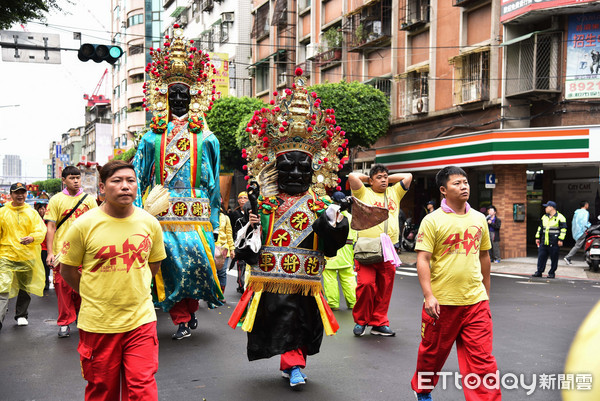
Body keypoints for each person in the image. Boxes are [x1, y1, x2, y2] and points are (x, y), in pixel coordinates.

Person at [228, 68, 349, 389]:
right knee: (280, 321)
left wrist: (332, 224)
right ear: (273, 169)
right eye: (286, 166)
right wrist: (252, 223)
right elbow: (246, 248)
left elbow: (335, 242)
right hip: (272, 277)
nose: (295, 172)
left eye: (302, 167)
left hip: (305, 278)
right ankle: (291, 363)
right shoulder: (265, 204)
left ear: (315, 171)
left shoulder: (321, 205)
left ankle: (294, 363)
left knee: (302, 322)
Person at [132, 26, 223, 340]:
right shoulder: (150, 138)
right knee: (170, 267)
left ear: (194, 96)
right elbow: (138, 176)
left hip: (197, 214)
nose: (180, 98)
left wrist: (213, 220)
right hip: (163, 212)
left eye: (185, 93)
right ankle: (180, 317)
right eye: (174, 94)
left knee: (197, 265)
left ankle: (190, 309)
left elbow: (212, 183)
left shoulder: (207, 139)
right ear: (164, 97)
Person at [59, 160, 167, 401]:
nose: (125, 186)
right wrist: (92, 292)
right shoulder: (83, 225)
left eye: (130, 181)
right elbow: (67, 270)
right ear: (102, 187)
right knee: (102, 392)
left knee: (143, 389)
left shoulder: (150, 223)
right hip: (98, 324)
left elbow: (154, 264)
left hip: (141, 321)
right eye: (117, 181)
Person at [411, 166, 501, 401]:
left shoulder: (480, 219)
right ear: (443, 190)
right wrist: (429, 295)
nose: (464, 187)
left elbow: (484, 257)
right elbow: (423, 258)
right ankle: (423, 389)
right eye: (457, 183)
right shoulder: (432, 221)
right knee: (432, 353)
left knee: (483, 360)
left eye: (466, 182)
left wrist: (486, 294)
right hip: (441, 304)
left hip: (475, 302)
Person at [348, 165, 412, 337]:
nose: (384, 180)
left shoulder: (394, 192)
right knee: (366, 285)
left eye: (386, 177)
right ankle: (361, 321)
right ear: (370, 180)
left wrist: (385, 180)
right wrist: (370, 179)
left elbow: (408, 175)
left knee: (385, 287)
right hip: (366, 247)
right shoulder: (363, 192)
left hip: (389, 247)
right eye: (379, 177)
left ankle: (379, 322)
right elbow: (353, 176)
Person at [45, 165, 98, 338]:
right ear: (64, 180)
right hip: (62, 252)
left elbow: (95, 226)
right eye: (71, 178)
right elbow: (51, 227)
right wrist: (50, 252)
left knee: (84, 287)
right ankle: (65, 322)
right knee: (63, 288)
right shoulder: (56, 200)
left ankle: (82, 319)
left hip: (85, 252)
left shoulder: (89, 200)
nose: (75, 181)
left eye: (78, 178)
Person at [0, 183, 47, 331]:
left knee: (24, 287)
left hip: (27, 255)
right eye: (16, 192)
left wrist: (32, 238)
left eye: (22, 192)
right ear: (11, 194)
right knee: (2, 287)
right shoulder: (3, 212)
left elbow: (40, 230)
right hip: (6, 255)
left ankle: (21, 314)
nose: (20, 195)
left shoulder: (31, 213)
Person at [323, 191, 357, 310]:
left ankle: (333, 303)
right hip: (347, 252)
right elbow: (356, 236)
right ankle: (353, 302)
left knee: (330, 278)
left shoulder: (329, 216)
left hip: (331, 251)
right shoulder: (352, 217)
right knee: (348, 278)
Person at [532, 201, 567, 278]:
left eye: (547, 207)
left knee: (554, 259)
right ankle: (539, 271)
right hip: (544, 241)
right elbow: (540, 228)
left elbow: (563, 229)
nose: (545, 208)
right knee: (541, 257)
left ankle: (551, 273)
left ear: (551, 208)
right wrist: (537, 237)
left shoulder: (560, 217)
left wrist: (561, 239)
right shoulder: (544, 217)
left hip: (554, 242)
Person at [230, 191, 250, 293]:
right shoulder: (234, 214)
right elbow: (231, 229)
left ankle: (246, 283)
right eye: (240, 198)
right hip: (239, 242)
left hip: (250, 242)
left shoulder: (251, 213)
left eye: (245, 198)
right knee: (241, 264)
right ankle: (242, 284)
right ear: (237, 200)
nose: (242, 200)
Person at [215, 203, 235, 297]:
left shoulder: (225, 218)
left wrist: (232, 249)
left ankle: (221, 295)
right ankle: (212, 295)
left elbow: (229, 234)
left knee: (222, 273)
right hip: (210, 248)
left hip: (223, 248)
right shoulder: (207, 217)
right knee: (211, 273)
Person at [564, 201, 591, 265]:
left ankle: (586, 258)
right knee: (578, 245)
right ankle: (568, 257)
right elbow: (584, 222)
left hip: (576, 231)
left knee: (584, 244)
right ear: (586, 205)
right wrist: (587, 227)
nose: (588, 206)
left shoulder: (576, 212)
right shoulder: (585, 212)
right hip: (582, 231)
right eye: (588, 204)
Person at [34, 202, 51, 290]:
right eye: (40, 209)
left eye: (43, 208)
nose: (42, 210)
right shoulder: (36, 220)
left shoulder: (50, 220)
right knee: (44, 266)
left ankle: (47, 281)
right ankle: (45, 282)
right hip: (41, 247)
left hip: (50, 247)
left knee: (49, 266)